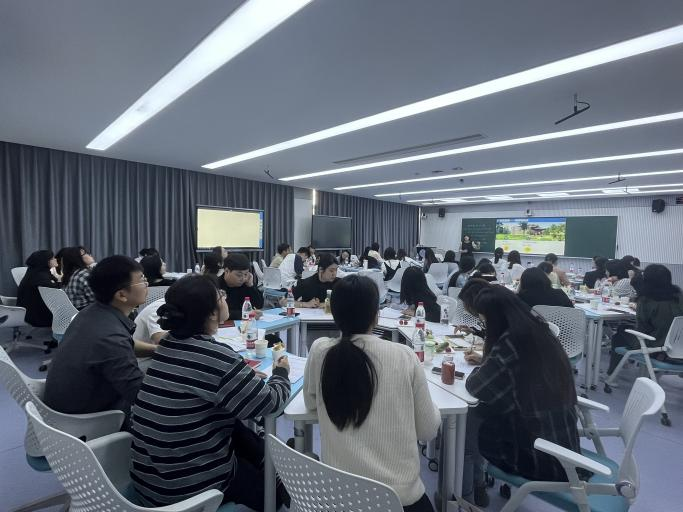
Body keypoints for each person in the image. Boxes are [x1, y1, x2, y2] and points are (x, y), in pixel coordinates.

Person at [130, 275, 291, 510]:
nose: (224, 298)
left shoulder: (167, 346)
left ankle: (272, 466)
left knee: (233, 425)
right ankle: (277, 474)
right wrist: (281, 372)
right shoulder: (216, 356)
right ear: (212, 314)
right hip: (189, 490)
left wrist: (238, 378)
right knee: (274, 497)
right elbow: (271, 402)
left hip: (151, 480)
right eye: (220, 296)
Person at [303, 275, 440, 512]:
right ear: (376, 315)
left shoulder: (320, 351)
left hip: (339, 501)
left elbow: (311, 403)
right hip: (400, 501)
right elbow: (427, 431)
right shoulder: (404, 356)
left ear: (333, 314)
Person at [460, 285, 583, 505]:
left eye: (486, 322)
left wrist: (484, 364)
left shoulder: (511, 342)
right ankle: (474, 486)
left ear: (495, 319)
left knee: (469, 418)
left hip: (538, 454)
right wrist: (488, 362)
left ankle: (465, 494)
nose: (486, 328)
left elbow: (477, 386)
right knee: (480, 412)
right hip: (563, 443)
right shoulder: (538, 330)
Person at [44, 256, 156, 421]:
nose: (147, 284)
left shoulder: (91, 313)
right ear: (122, 295)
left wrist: (157, 350)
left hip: (64, 404)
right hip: (86, 419)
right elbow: (141, 396)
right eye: (142, 280)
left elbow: (127, 345)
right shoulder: (111, 337)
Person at [607, 264, 683, 374]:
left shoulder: (646, 300)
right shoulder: (679, 296)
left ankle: (611, 374)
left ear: (647, 280)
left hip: (656, 345)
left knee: (620, 333)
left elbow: (642, 327)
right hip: (678, 347)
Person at [17, 250, 59, 327]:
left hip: (31, 312)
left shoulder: (35, 272)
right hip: (37, 316)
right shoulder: (40, 276)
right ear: (45, 261)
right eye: (52, 258)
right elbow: (56, 290)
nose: (55, 259)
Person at [218, 253, 264, 319]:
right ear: (226, 271)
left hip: (245, 323)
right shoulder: (215, 285)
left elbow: (259, 305)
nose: (243, 278)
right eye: (239, 275)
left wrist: (251, 286)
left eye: (245, 274)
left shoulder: (246, 283)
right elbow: (217, 313)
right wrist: (245, 314)